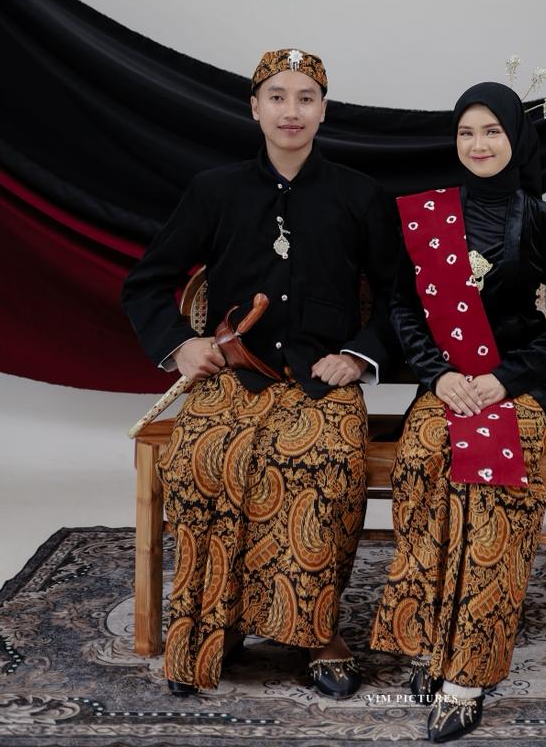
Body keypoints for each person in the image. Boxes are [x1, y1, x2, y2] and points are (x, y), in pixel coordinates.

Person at [123, 48, 398, 699]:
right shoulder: (214, 190)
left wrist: (358, 355)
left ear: (324, 110)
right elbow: (147, 284)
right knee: (206, 457)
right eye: (277, 97)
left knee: (324, 461)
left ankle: (318, 634)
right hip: (233, 377)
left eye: (306, 98)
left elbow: (400, 303)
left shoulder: (361, 195)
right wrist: (181, 346)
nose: (291, 111)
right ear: (254, 108)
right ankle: (216, 626)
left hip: (321, 383)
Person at [370, 82, 546, 742]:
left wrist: (503, 379)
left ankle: (468, 671)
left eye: (492, 131)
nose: (478, 144)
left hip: (522, 385)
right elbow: (404, 309)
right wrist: (440, 376)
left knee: (490, 474)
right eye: (467, 132)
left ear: (515, 138)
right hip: (448, 385)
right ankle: (428, 640)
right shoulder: (429, 216)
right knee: (422, 456)